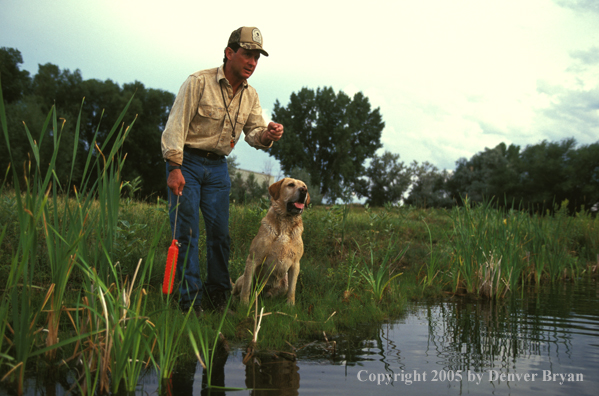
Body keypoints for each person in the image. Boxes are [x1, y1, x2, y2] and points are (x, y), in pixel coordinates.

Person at [161, 26, 284, 314]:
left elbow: (255, 132)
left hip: (218, 168)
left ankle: (218, 298)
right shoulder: (198, 82)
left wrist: (269, 134)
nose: (252, 62)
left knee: (220, 236)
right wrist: (174, 168)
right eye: (247, 54)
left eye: (257, 57)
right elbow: (174, 127)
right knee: (186, 233)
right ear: (230, 53)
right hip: (187, 164)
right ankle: (190, 303)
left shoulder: (250, 95)